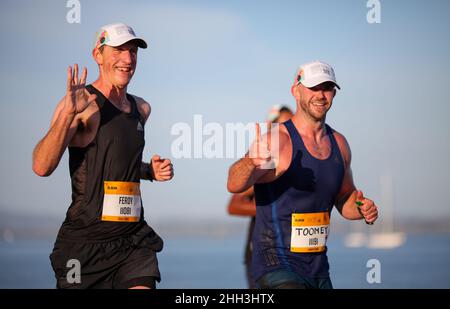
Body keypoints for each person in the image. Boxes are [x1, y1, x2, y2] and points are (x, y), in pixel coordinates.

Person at [32, 23, 174, 289]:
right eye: (119, 50)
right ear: (98, 55)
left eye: (132, 51)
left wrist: (149, 171)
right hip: (84, 245)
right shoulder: (81, 105)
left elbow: (115, 162)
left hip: (132, 240)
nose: (128, 59)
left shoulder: (141, 108)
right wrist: (67, 115)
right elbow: (41, 166)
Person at [227, 61, 378, 289]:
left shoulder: (340, 144)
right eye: (313, 88)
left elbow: (345, 199)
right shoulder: (278, 140)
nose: (320, 95)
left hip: (318, 269)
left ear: (334, 94)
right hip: (277, 265)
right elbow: (234, 184)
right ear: (295, 91)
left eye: (327, 88)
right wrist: (249, 162)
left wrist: (361, 208)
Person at [226, 105, 293, 289]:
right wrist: (275, 208)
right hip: (262, 248)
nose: (287, 127)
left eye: (291, 122)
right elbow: (233, 205)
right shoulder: (265, 163)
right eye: (282, 123)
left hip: (293, 249)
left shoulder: (296, 158)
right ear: (271, 127)